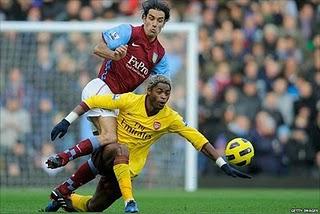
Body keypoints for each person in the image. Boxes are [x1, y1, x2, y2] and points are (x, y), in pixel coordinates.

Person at [43, 75, 251, 213]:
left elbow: (196, 138)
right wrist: (66, 121)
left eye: (167, 94)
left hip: (128, 170)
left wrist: (221, 163)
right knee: (118, 147)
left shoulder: (170, 117)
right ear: (149, 90)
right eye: (159, 92)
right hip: (107, 153)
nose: (163, 97)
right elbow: (93, 102)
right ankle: (130, 202)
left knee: (94, 206)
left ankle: (62, 199)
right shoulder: (129, 101)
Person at [46, 0, 171, 211]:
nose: (154, 24)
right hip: (101, 88)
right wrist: (114, 55)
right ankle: (64, 156)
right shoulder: (128, 32)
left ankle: (63, 191)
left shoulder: (160, 55)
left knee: (108, 151)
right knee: (110, 139)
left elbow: (160, 88)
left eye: (160, 21)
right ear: (144, 18)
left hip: (117, 104)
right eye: (151, 18)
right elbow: (98, 47)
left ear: (163, 24)